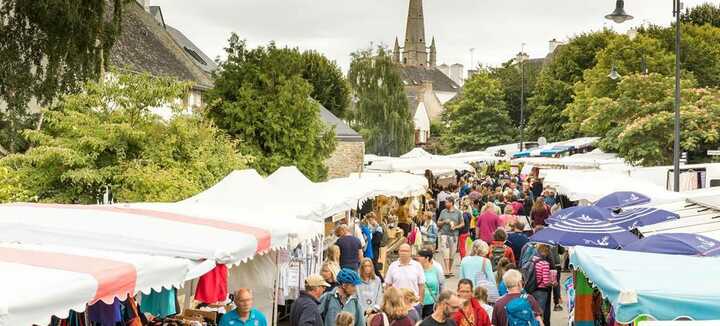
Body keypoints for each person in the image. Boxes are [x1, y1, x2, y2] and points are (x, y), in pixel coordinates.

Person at [437, 198, 464, 277]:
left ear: (451, 203)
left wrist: (455, 227)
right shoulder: (443, 212)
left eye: (447, 202)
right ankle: (447, 271)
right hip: (444, 234)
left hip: (454, 235)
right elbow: (438, 222)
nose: (445, 204)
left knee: (452, 254)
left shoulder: (458, 212)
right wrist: (444, 221)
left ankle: (449, 269)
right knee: (445, 252)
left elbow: (462, 223)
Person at [529, 244, 554, 326]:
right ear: (546, 252)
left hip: (532, 289)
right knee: (539, 314)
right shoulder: (545, 264)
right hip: (542, 292)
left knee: (532, 313)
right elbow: (546, 282)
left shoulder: (533, 261)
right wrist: (553, 283)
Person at [416, 249, 443, 318]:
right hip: (417, 303)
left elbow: (441, 285)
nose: (417, 258)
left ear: (427, 258)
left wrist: (440, 301)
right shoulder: (416, 270)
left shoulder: (436, 270)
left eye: (419, 256)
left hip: (431, 303)